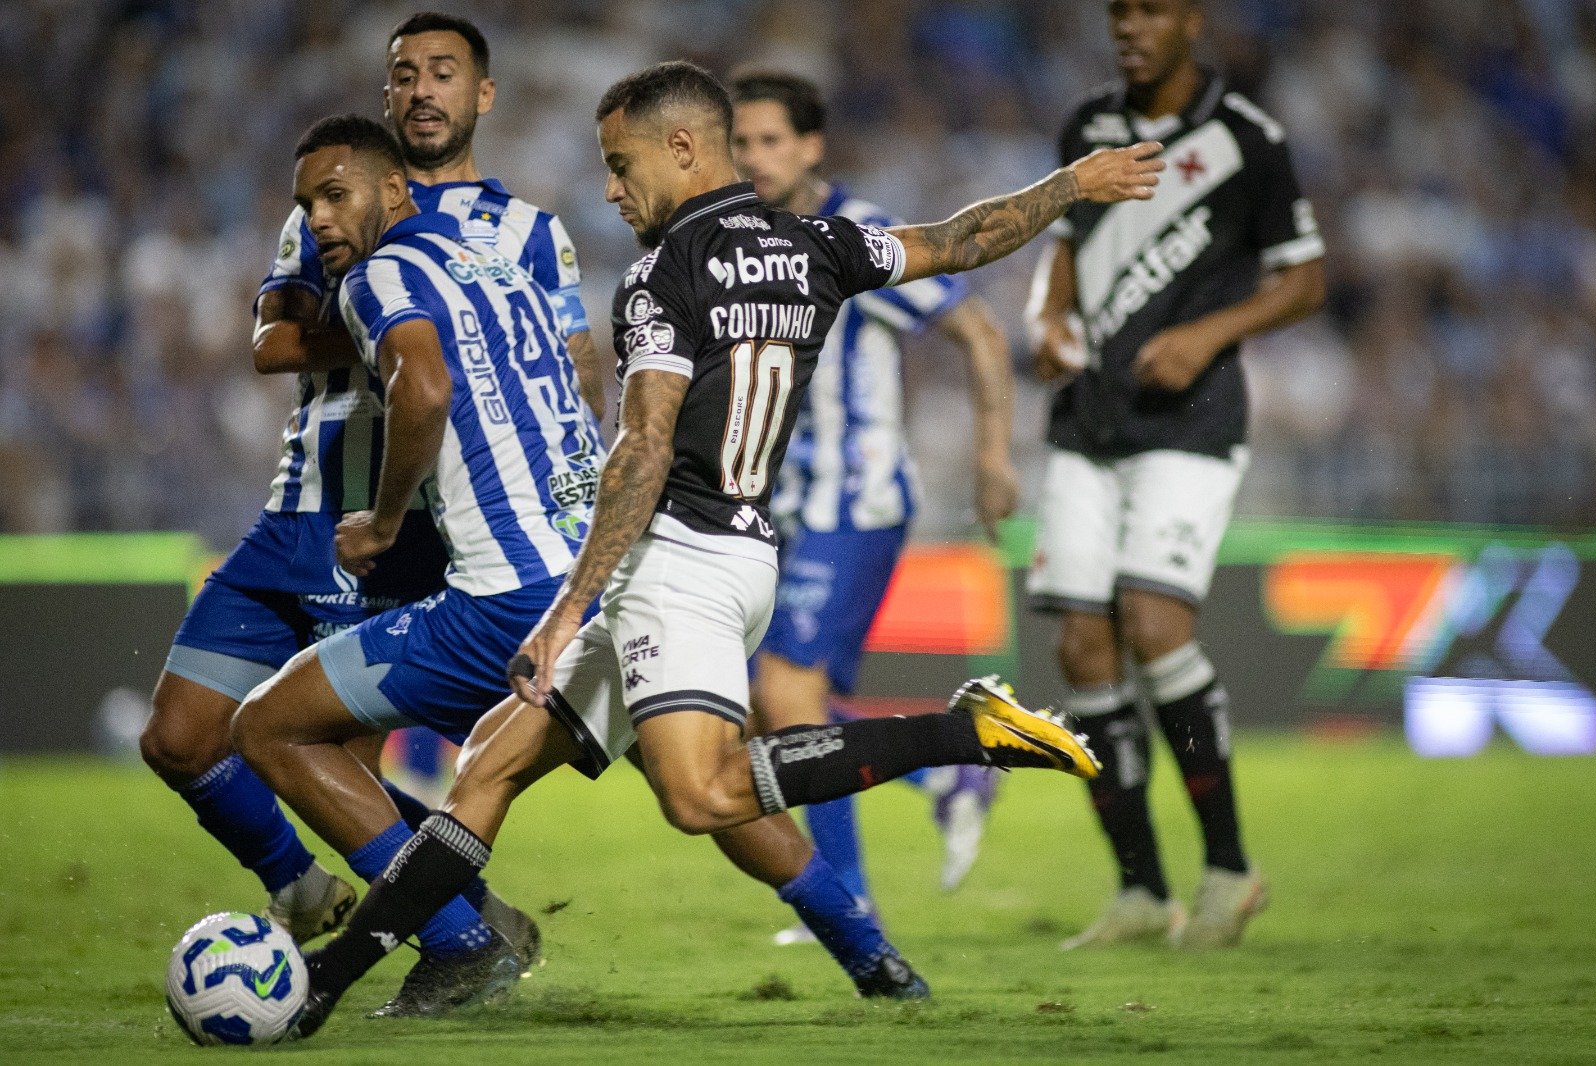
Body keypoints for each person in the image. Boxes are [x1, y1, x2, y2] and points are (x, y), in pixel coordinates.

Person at [288, 61, 1162, 1038]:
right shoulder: (813, 243)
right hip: (732, 547)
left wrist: (568, 607)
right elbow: (959, 240)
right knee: (487, 769)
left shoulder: (664, 276)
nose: (612, 191)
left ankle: (962, 733)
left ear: (682, 148)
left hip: (680, 563)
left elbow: (645, 447)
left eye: (621, 167)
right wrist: (1070, 185)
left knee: (700, 794)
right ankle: (331, 981)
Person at [137, 11, 580, 955]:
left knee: (325, 752)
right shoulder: (329, 204)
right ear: (386, 97)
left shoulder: (530, 233)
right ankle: (304, 888)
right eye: (405, 74)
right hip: (294, 505)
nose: (423, 89)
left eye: (444, 72)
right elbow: (272, 342)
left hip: (398, 527)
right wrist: (395, 314)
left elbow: (568, 363)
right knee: (177, 738)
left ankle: (462, 938)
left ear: (482, 95)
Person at [1025, 0, 1326, 950]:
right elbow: (1064, 251)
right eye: (1118, 12)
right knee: (1082, 650)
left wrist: (1207, 333)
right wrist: (1047, 318)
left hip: (1188, 423)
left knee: (1154, 625)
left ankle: (1230, 871)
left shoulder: (1248, 139)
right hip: (1087, 418)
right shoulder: (1089, 126)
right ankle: (1141, 890)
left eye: (1150, 10)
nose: (1128, 27)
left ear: (1193, 21)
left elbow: (1305, 278)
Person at [729, 70, 1015, 935]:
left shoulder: (865, 234)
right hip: (773, 510)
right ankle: (946, 771)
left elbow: (978, 327)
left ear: (811, 145)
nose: (754, 158)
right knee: (756, 703)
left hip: (855, 502)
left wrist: (994, 451)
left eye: (771, 140)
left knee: (788, 696)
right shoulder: (733, 240)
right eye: (740, 142)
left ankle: (845, 900)